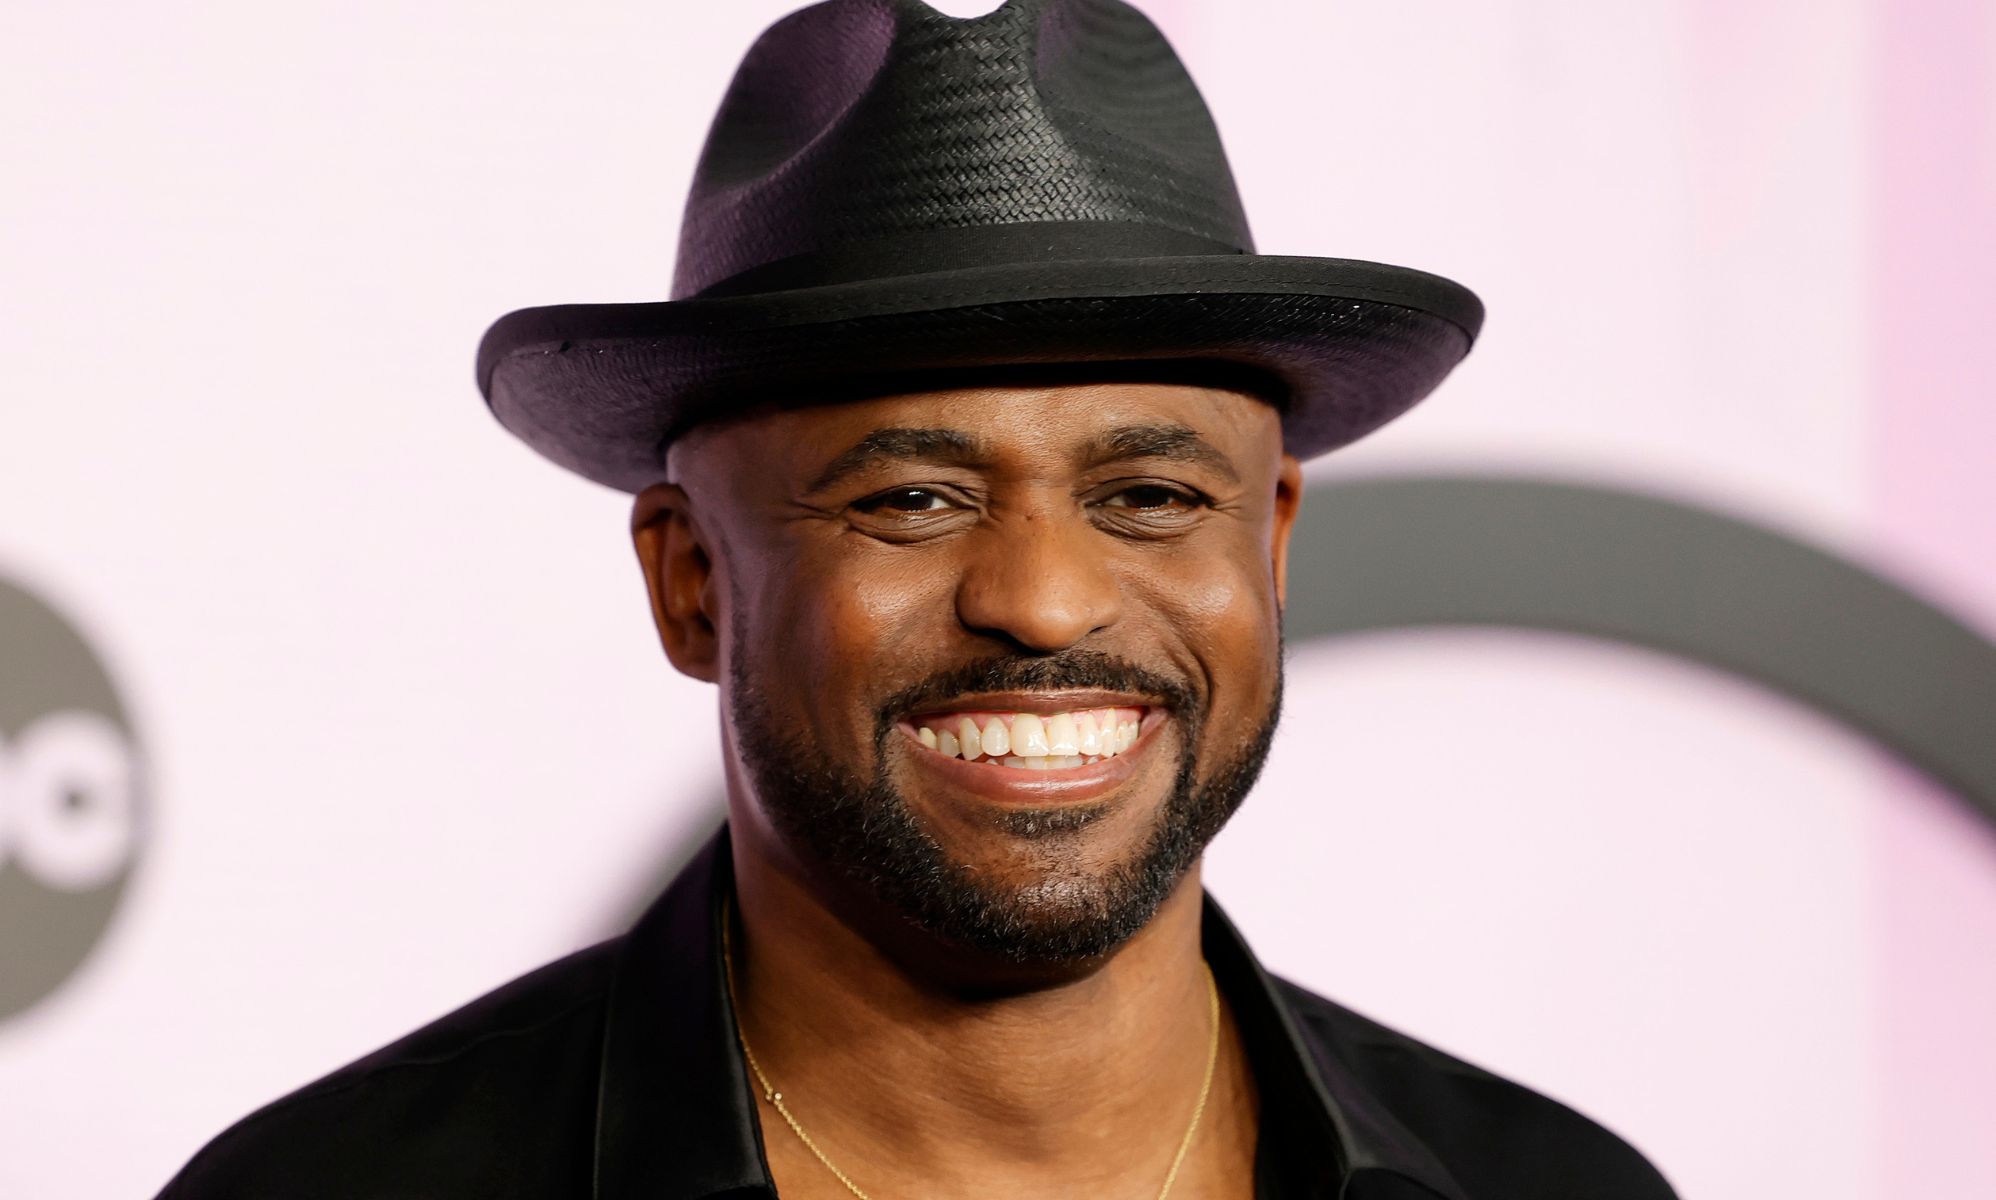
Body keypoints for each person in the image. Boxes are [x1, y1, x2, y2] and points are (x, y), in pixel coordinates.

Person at [161, 1, 1679, 1196]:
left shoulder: (1545, 1186)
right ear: (691, 581)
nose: (1042, 601)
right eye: (912, 500)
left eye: (1148, 497)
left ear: (1269, 547)